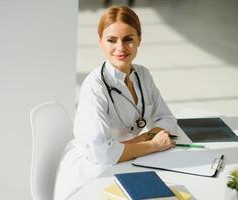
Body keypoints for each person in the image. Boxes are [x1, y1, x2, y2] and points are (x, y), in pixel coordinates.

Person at [54, 5, 178, 200]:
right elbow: (102, 154)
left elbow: (168, 120)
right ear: (101, 42)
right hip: (90, 173)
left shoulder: (143, 75)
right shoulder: (94, 87)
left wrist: (134, 143)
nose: (120, 48)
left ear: (139, 40)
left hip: (128, 161)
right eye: (112, 40)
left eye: (128, 39)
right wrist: (153, 145)